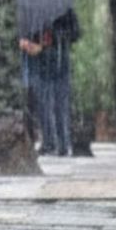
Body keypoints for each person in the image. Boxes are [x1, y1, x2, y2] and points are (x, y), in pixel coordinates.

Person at [21, 8, 79, 156]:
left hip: (59, 61)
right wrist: (28, 42)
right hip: (40, 63)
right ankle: (49, 142)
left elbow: (74, 33)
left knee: (60, 103)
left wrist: (51, 39)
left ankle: (62, 143)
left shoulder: (64, 9)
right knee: (43, 103)